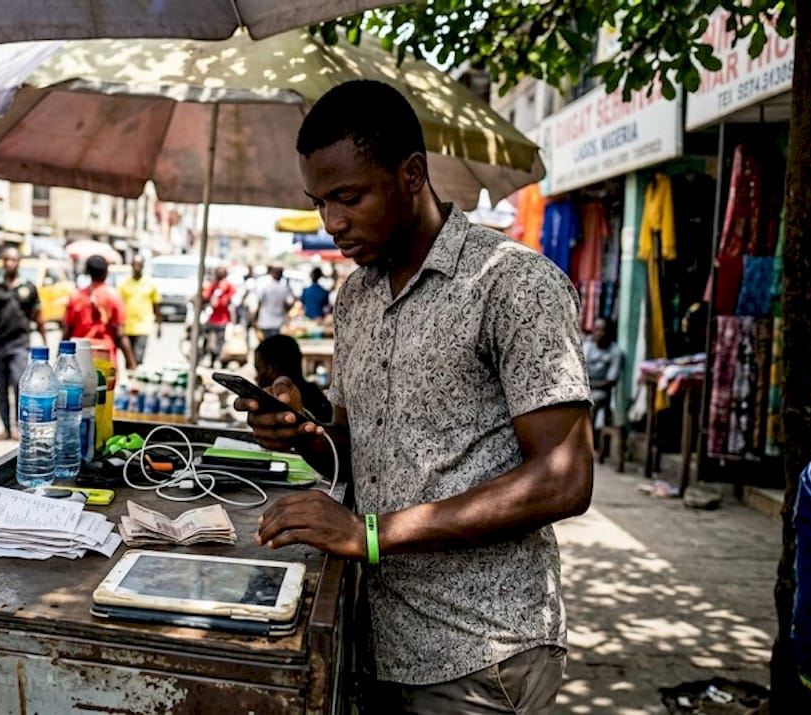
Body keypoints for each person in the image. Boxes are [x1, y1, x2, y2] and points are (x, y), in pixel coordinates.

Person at [237, 80, 592, 713]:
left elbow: (563, 480)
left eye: (348, 197)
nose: (333, 224)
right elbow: (356, 455)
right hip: (375, 637)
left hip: (483, 651)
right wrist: (304, 433)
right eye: (319, 202)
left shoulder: (513, 284)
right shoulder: (356, 298)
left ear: (412, 174)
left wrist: (368, 534)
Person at [0, 248, 47, 441]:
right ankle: (6, 428)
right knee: (0, 388)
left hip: (20, 345)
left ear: (19, 262)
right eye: (6, 260)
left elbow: (38, 317)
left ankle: (19, 427)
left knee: (19, 384)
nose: (10, 264)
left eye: (13, 260)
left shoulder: (29, 287)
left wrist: (45, 341)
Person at [64, 255, 136, 371]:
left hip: (79, 355)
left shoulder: (75, 296)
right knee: (106, 389)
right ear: (106, 272)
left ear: (87, 272)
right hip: (105, 356)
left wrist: (59, 357)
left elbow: (67, 331)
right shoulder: (114, 297)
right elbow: (120, 334)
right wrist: (131, 363)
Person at [254, 334, 332, 424]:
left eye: (258, 369)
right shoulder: (314, 394)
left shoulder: (281, 407)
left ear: (272, 369)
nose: (256, 377)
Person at [118, 256, 162, 365]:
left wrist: (160, 325)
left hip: (143, 325)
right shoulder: (124, 284)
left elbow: (156, 305)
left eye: (139, 265)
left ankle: (136, 374)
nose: (137, 268)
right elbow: (118, 305)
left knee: (138, 355)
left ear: (143, 266)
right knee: (129, 356)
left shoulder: (150, 283)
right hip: (127, 325)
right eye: (135, 265)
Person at [583, 318, 624, 431]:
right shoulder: (586, 347)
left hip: (600, 391)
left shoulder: (615, 352)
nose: (599, 333)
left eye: (603, 330)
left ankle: (590, 440)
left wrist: (588, 386)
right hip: (584, 387)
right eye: (597, 329)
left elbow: (610, 382)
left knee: (590, 404)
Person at [201, 266, 235, 367]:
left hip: (219, 318)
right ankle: (216, 359)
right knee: (218, 340)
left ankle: (216, 359)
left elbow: (206, 296)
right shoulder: (216, 285)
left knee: (216, 340)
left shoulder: (223, 285)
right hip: (217, 318)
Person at [253, 266, 295, 339]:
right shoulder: (284, 288)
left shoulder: (265, 287)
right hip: (277, 321)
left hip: (265, 320)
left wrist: (255, 317)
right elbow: (290, 303)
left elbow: (259, 302)